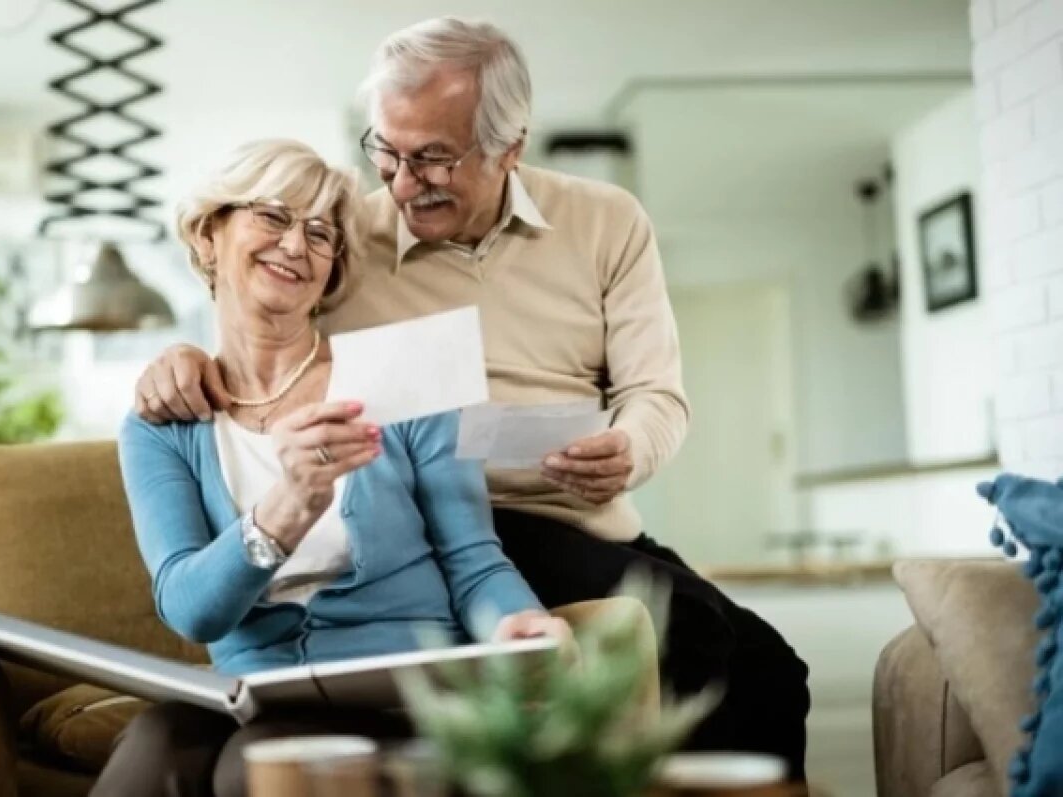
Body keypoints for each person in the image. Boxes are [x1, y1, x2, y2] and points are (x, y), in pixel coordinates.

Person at [132, 17, 810, 777]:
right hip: (439, 517)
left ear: (509, 146)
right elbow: (263, 319)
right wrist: (185, 356)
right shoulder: (344, 234)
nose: (400, 182)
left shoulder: (606, 221)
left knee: (773, 671)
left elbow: (655, 393)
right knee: (694, 634)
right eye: (385, 150)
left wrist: (630, 448)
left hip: (575, 518)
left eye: (431, 158)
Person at [93, 138, 570, 797]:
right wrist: (285, 508)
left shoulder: (406, 380)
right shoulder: (163, 424)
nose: (296, 245)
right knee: (155, 744)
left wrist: (520, 625)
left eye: (320, 234)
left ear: (332, 270)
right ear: (208, 235)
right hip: (253, 693)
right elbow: (190, 609)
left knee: (253, 765)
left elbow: (473, 558)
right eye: (273, 216)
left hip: (399, 691)